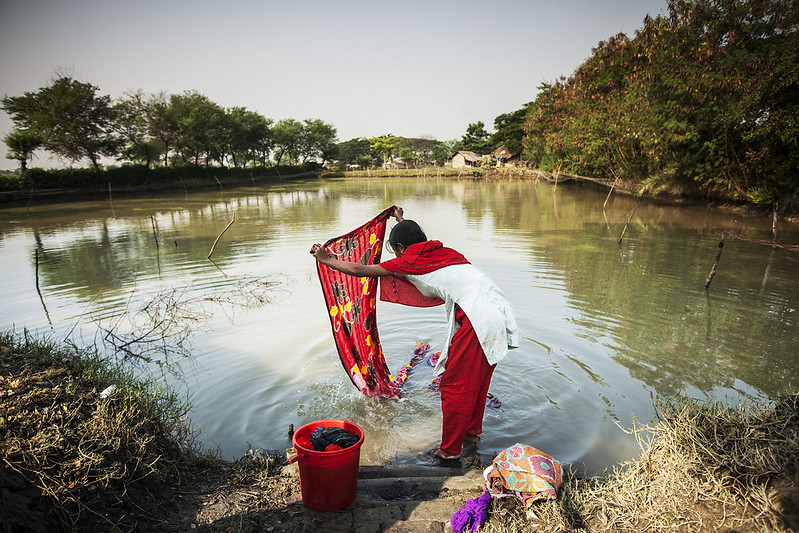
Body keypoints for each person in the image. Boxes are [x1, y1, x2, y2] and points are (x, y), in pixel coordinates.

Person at [310, 207, 519, 464]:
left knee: (453, 386)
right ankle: (472, 436)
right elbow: (414, 239)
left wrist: (326, 259)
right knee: (476, 382)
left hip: (477, 319)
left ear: (400, 248)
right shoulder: (445, 253)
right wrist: (400, 220)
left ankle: (450, 450)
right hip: (497, 310)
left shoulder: (409, 260)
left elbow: (360, 270)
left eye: (395, 249)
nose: (396, 255)